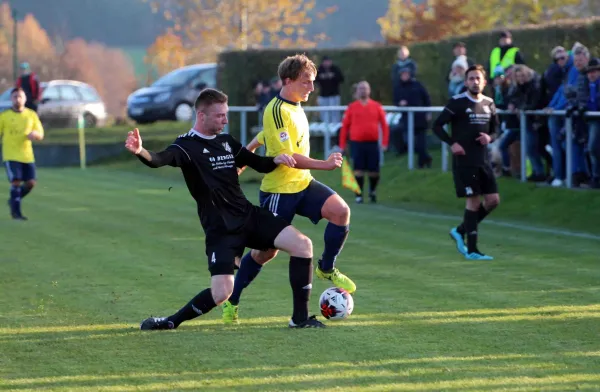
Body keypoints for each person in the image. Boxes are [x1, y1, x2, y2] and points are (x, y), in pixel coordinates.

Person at [128, 88, 326, 329]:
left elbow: (258, 164)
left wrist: (275, 160)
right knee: (222, 293)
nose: (225, 120)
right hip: (221, 230)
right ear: (201, 116)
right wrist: (140, 151)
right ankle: (171, 322)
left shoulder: (227, 142)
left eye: (226, 114)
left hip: (248, 217)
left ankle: (300, 319)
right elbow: (159, 159)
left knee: (303, 245)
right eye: (220, 115)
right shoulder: (185, 146)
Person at [221, 54, 355, 325]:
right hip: (279, 192)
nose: (312, 88)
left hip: (302, 184)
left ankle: (326, 268)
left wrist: (244, 158)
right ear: (288, 80)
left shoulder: (295, 105)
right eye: (307, 82)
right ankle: (231, 301)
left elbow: (262, 137)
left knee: (341, 211)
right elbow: (289, 156)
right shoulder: (276, 110)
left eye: (313, 82)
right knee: (265, 253)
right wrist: (325, 164)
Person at [432, 65, 501, 261]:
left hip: (483, 160)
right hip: (464, 161)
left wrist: (490, 137)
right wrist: (452, 143)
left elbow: (496, 129)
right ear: (465, 82)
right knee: (474, 200)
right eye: (471, 78)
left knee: (493, 200)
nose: (475, 82)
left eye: (478, 78)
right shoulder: (457, 102)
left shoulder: (489, 103)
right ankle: (472, 250)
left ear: (484, 82)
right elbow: (437, 126)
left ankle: (460, 229)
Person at [338, 81, 390, 203]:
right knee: (358, 170)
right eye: (361, 88)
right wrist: (342, 144)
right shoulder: (352, 107)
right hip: (357, 143)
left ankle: (372, 191)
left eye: (365, 88)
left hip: (372, 143)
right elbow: (345, 127)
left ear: (369, 90)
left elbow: (384, 125)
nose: (363, 91)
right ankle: (359, 194)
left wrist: (385, 143)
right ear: (357, 91)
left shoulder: (377, 106)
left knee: (374, 171)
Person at [0, 87, 44, 220]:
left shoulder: (31, 115)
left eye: (20, 96)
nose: (17, 99)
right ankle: (16, 213)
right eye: (15, 97)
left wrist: (35, 134)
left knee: (31, 183)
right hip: (11, 155)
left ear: (24, 99)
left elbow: (40, 133)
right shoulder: (4, 116)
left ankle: (14, 200)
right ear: (11, 99)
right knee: (16, 182)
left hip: (27, 155)